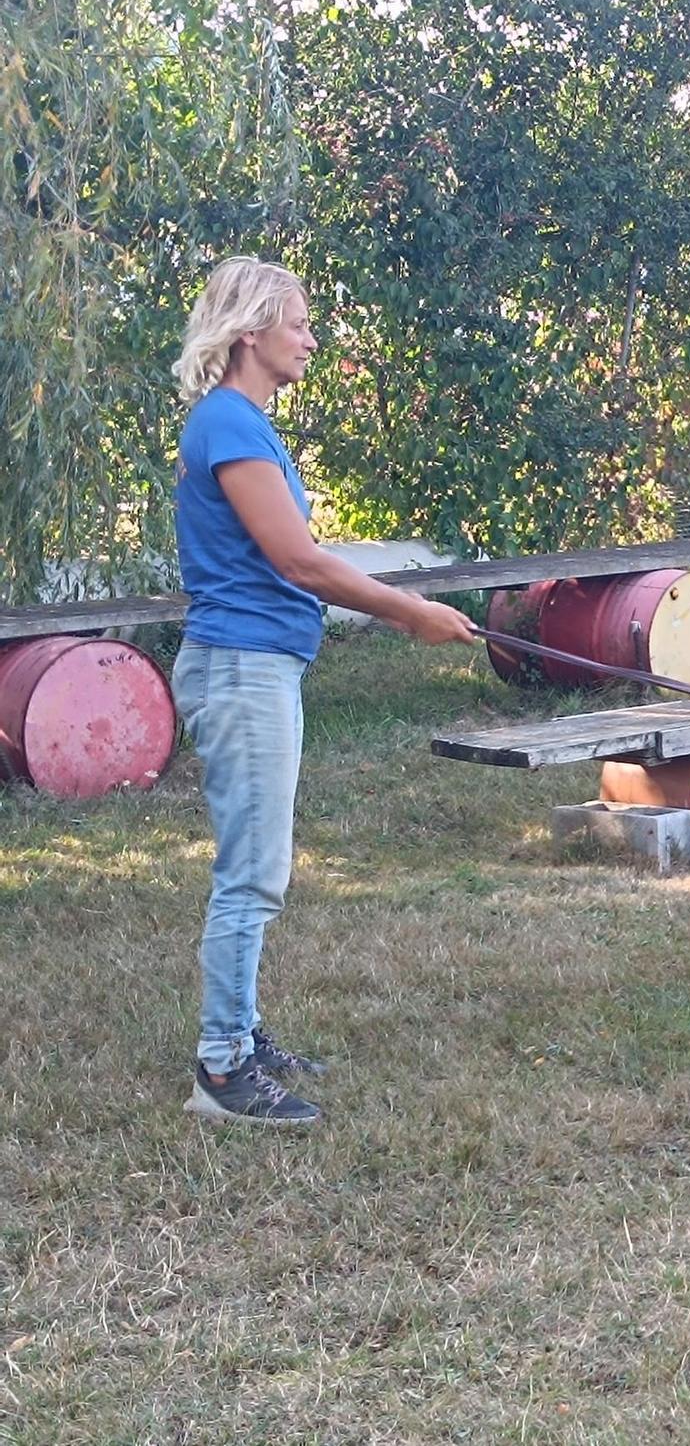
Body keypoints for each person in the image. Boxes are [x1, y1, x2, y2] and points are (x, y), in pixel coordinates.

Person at [171, 256, 478, 1127]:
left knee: (255, 869)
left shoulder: (242, 424)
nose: (310, 337)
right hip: (241, 666)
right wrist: (407, 612)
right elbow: (298, 560)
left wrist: (403, 608)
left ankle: (241, 1030)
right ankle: (222, 1069)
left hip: (256, 662)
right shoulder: (230, 424)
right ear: (250, 334)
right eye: (298, 323)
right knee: (253, 877)